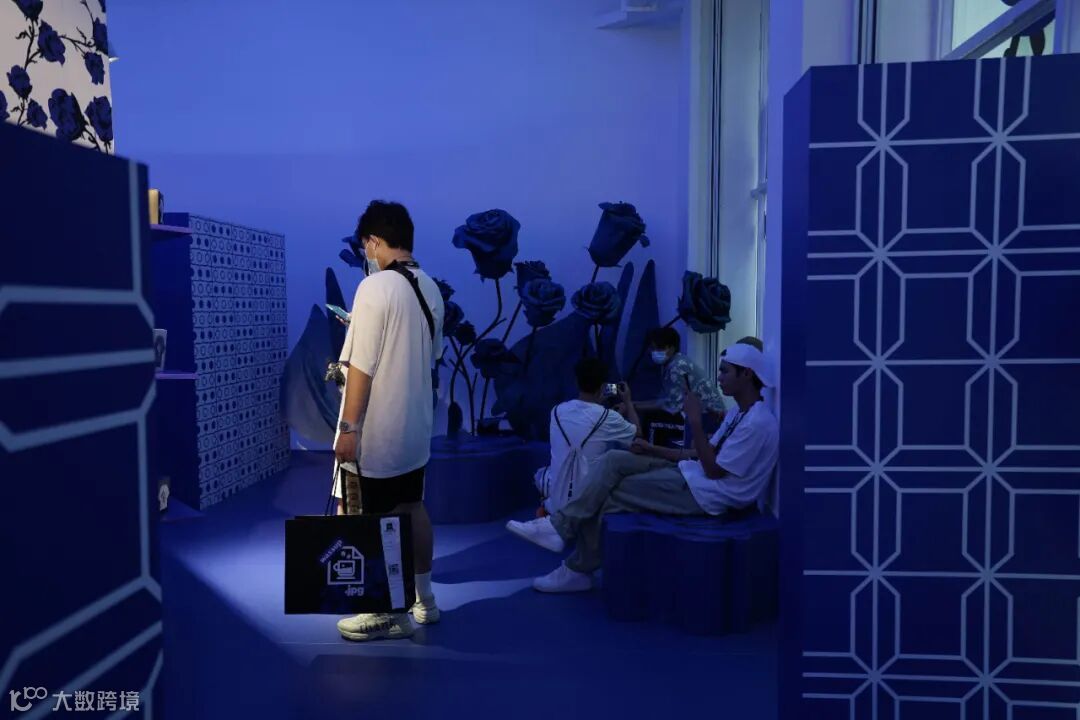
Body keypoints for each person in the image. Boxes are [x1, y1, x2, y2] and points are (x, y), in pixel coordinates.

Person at [507, 339, 778, 593]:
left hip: (707, 495)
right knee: (613, 459)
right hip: (693, 474)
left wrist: (695, 422)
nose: (718, 378)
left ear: (747, 374)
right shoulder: (738, 413)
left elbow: (713, 471)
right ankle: (559, 527)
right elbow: (698, 454)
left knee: (612, 493)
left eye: (725, 371)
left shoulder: (757, 423)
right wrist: (652, 448)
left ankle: (576, 569)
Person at [332, 200, 445, 641]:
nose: (367, 254)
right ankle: (425, 600)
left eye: (367, 246)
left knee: (368, 518)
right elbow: (429, 356)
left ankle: (384, 612)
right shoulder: (430, 288)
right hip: (415, 429)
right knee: (412, 507)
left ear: (375, 241)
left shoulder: (374, 287)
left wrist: (348, 428)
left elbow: (361, 367)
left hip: (377, 434)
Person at [534, 357, 642, 516]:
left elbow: (584, 422)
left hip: (557, 503)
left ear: (577, 382)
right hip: (588, 502)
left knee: (543, 475)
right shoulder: (608, 417)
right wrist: (628, 402)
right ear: (603, 387)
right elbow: (638, 434)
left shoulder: (556, 411)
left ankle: (548, 507)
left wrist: (600, 403)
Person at [635, 327, 724, 445]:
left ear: (671, 348)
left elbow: (673, 407)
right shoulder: (675, 363)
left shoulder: (676, 367)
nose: (653, 352)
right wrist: (635, 404)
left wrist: (635, 406)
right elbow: (668, 401)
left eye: (658, 348)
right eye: (652, 348)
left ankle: (648, 450)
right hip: (703, 416)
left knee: (651, 419)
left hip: (708, 418)